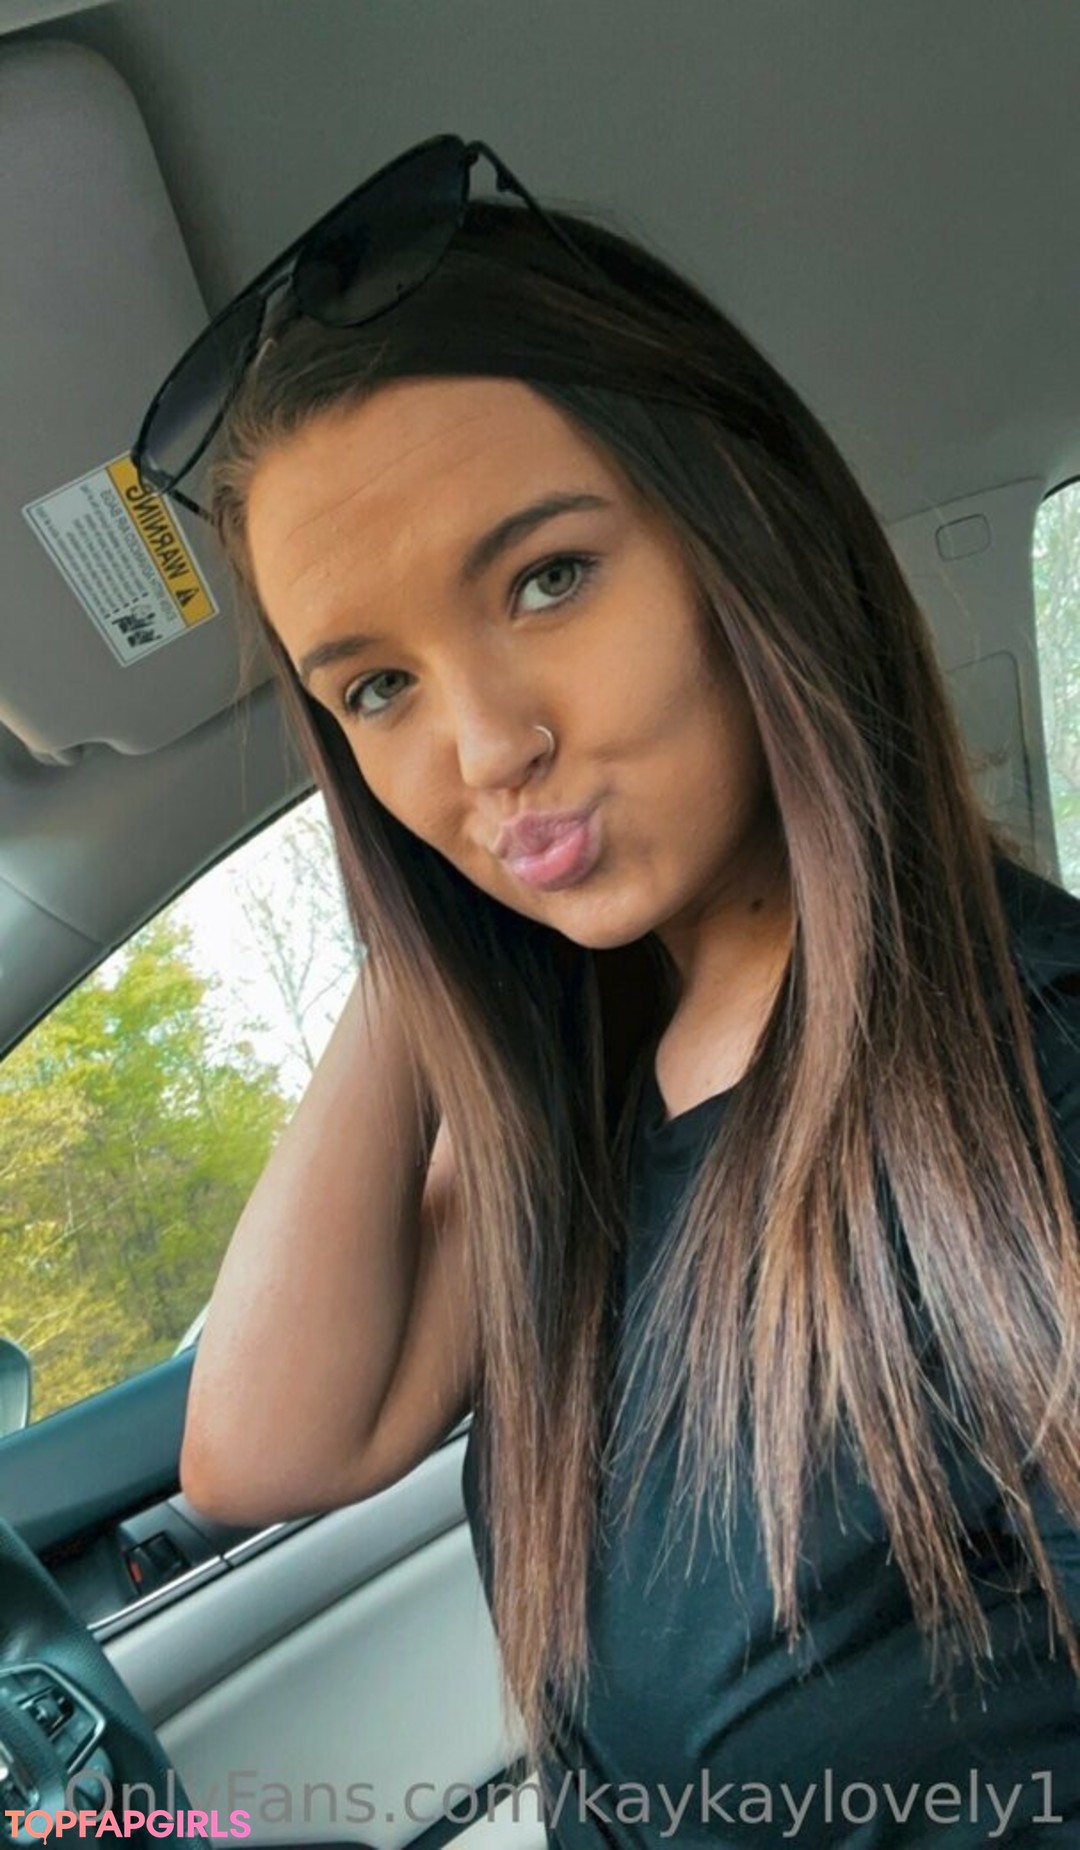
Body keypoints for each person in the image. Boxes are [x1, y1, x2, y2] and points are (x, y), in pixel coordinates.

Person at [140, 137, 1080, 1846]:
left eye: (549, 577)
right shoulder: (587, 1101)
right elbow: (263, 1446)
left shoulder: (1043, 1084)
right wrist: (435, 912)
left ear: (747, 534)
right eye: (377, 687)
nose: (486, 742)